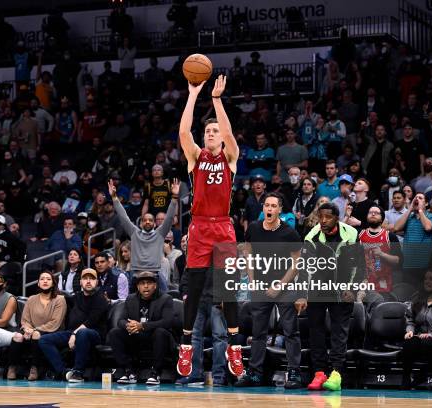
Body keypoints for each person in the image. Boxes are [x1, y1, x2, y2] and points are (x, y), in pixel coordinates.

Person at [178, 74, 242, 378]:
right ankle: (186, 345)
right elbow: (183, 131)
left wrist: (216, 100)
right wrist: (193, 95)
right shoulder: (195, 157)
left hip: (224, 226)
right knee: (195, 287)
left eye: (214, 130)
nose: (211, 133)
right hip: (200, 228)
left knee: (227, 287)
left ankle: (235, 346)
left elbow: (229, 133)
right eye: (207, 130)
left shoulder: (230, 157)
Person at [236, 193, 303, 388]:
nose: (270, 209)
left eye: (274, 206)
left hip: (285, 287)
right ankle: (255, 374)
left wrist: (280, 285)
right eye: (267, 205)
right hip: (260, 287)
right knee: (258, 332)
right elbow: (247, 253)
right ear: (263, 208)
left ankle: (294, 374)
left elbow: (297, 263)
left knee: (291, 331)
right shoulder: (254, 229)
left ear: (280, 210)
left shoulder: (289, 232)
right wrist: (252, 280)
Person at [298, 202, 362, 391]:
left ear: (337, 218)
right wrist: (302, 294)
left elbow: (360, 266)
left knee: (338, 333)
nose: (323, 221)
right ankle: (319, 373)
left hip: (342, 290)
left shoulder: (351, 234)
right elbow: (304, 268)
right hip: (318, 289)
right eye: (321, 217)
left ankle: (336, 374)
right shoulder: (312, 236)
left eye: (328, 217)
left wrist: (353, 289)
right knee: (316, 332)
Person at [38, 268, 109, 382]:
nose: (88, 281)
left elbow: (90, 322)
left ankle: (78, 372)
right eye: (85, 278)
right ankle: (63, 371)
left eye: (92, 279)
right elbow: (59, 298)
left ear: (97, 282)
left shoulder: (101, 299)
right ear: (80, 282)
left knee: (83, 332)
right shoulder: (76, 297)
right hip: (73, 332)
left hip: (94, 334)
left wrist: (74, 334)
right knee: (44, 340)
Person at [110, 178, 177, 291]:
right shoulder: (134, 233)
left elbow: (169, 217)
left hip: (155, 272)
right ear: (140, 223)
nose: (147, 222)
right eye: (144, 220)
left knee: (165, 296)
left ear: (155, 223)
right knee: (129, 300)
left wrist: (174, 197)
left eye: (150, 220)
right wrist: (114, 197)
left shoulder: (160, 233)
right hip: (136, 273)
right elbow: (123, 217)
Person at [109, 271, 174, 385]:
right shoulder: (131, 299)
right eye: (142, 283)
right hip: (136, 336)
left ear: (155, 285)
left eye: (149, 283)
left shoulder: (165, 298)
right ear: (138, 286)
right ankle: (129, 371)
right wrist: (128, 325)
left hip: (156, 336)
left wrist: (142, 326)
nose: (146, 286)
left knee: (160, 332)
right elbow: (121, 320)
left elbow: (167, 322)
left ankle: (156, 373)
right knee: (115, 333)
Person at [7, 271, 67, 381]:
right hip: (30, 329)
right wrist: (27, 329)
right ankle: (12, 367)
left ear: (53, 283)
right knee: (17, 336)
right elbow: (25, 319)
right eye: (42, 279)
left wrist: (33, 330)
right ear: (38, 283)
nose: (45, 281)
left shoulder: (60, 299)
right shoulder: (31, 299)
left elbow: (55, 322)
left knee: (36, 335)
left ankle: (34, 368)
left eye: (48, 279)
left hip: (52, 331)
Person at [401, 270, 432, 390]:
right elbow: (410, 319)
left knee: (431, 343)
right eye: (426, 279)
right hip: (420, 336)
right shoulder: (416, 297)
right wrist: (410, 331)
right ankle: (406, 378)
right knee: (409, 343)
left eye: (431, 279)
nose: (428, 281)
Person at [394, 193, 432, 285]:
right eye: (415, 198)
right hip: (407, 264)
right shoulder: (409, 217)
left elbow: (428, 227)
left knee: (421, 295)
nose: (417, 199)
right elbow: (396, 228)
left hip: (424, 265)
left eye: (420, 198)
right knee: (407, 294)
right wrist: (410, 208)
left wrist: (420, 210)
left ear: (426, 203)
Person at [358, 206, 402, 294]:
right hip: (363, 284)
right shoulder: (359, 235)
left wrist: (382, 254)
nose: (373, 214)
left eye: (376, 213)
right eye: (370, 212)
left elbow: (398, 261)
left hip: (383, 284)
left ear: (382, 218)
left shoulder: (390, 236)